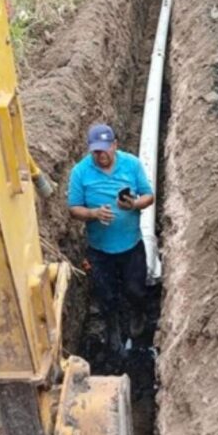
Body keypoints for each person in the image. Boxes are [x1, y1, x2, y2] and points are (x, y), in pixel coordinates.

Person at [67, 123, 155, 357]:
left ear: (115, 145)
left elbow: (149, 195)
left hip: (131, 245)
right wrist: (93, 214)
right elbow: (74, 209)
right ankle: (113, 327)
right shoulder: (80, 172)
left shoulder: (132, 164)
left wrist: (134, 204)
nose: (101, 155)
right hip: (99, 251)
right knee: (106, 295)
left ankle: (137, 314)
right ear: (90, 150)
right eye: (96, 151)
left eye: (105, 149)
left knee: (135, 289)